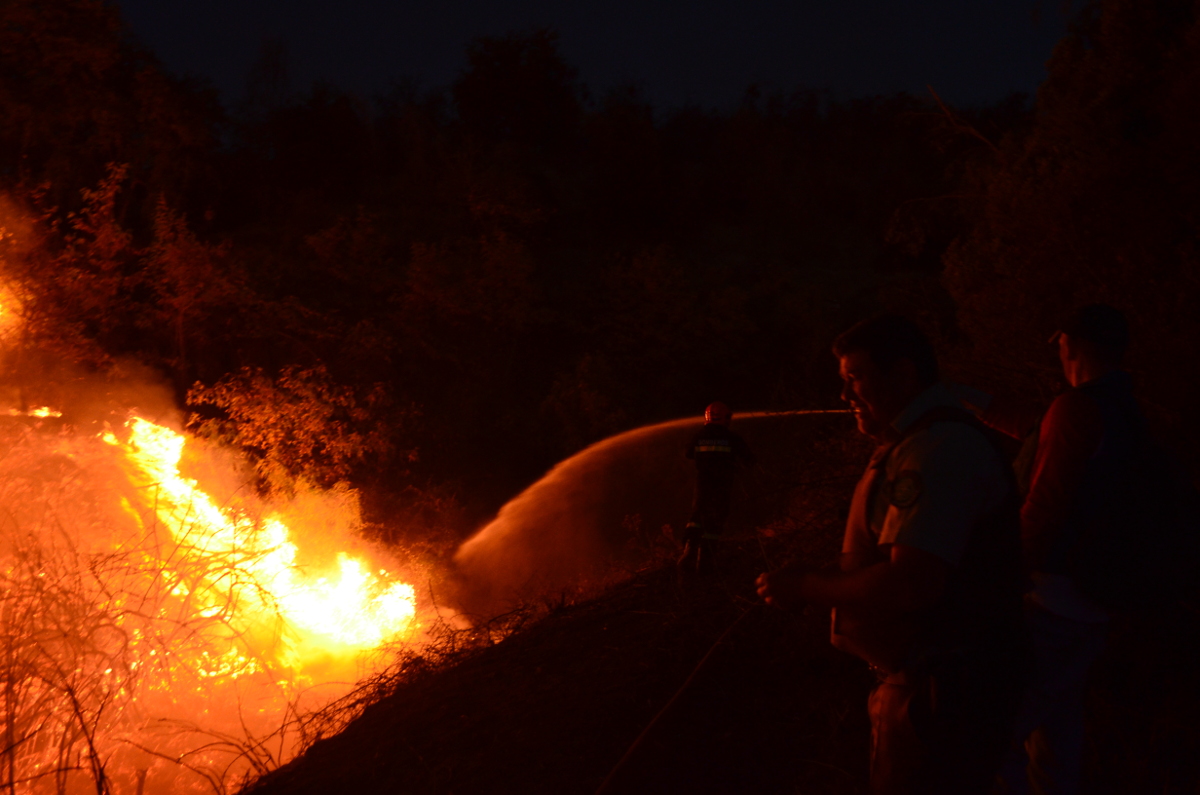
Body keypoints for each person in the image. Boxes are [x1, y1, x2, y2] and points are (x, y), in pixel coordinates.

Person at [756, 315, 1026, 795]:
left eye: (855, 378)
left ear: (903, 375)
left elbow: (912, 582)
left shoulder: (938, 450)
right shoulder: (921, 443)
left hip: (942, 691)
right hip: (931, 685)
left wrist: (806, 588)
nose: (845, 396)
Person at [957, 304, 1137, 795]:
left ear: (1068, 344)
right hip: (1091, 604)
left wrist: (989, 578)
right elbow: (1043, 430)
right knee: (1055, 743)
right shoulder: (1119, 406)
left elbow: (1043, 509)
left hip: (1051, 606)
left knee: (988, 738)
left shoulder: (1078, 409)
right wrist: (968, 398)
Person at [678, 401, 754, 575]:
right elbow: (749, 460)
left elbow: (688, 453)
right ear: (725, 418)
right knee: (715, 519)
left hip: (703, 483)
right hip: (723, 484)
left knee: (697, 515)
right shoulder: (732, 438)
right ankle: (705, 560)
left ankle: (689, 549)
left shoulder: (699, 435)